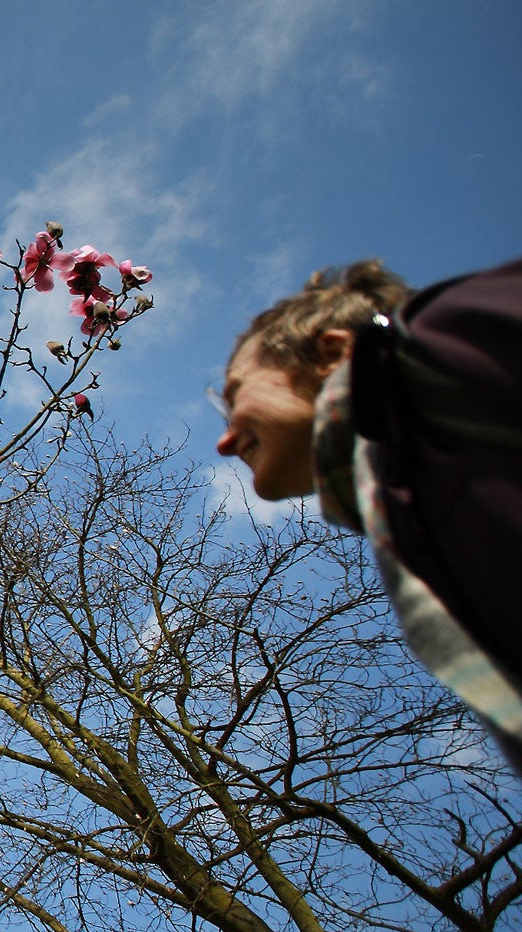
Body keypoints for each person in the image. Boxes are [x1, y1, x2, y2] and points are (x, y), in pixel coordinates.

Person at [218, 258, 522, 767]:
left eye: (235, 397)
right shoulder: (404, 500)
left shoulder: (441, 340)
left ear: (333, 353)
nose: (225, 442)